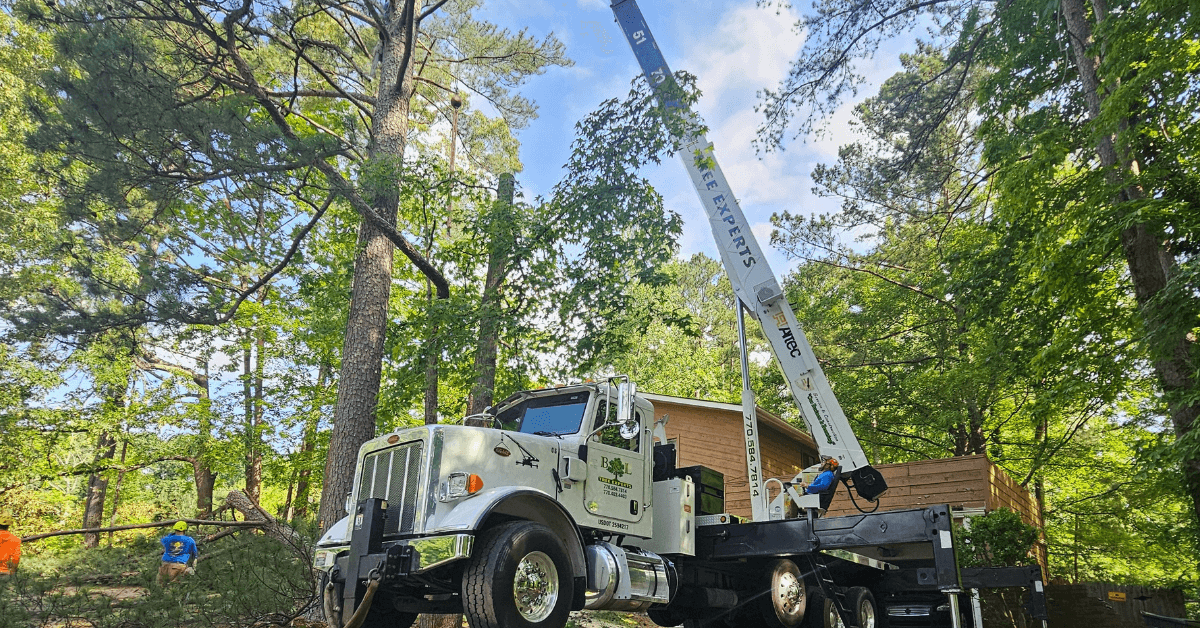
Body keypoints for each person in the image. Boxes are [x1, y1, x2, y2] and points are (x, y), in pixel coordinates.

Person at [157, 520, 197, 585]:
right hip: (179, 566)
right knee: (174, 587)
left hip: (165, 565)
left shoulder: (168, 539)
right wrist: (193, 568)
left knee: (161, 586)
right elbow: (194, 555)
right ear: (185, 530)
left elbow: (163, 540)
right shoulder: (190, 540)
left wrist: (172, 534)